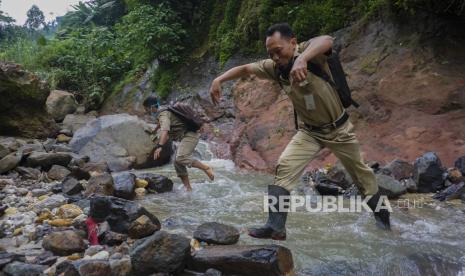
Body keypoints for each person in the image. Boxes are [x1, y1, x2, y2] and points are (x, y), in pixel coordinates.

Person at [209, 23, 390, 240]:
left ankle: (384, 225)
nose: (275, 57)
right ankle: (276, 226)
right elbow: (246, 69)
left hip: (338, 130)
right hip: (309, 133)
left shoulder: (310, 54)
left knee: (363, 178)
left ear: (293, 42)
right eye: (271, 53)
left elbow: (327, 40)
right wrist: (218, 79)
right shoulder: (275, 68)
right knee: (284, 166)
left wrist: (303, 59)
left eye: (278, 50)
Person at [143, 96, 214, 191]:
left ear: (151, 107)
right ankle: (188, 188)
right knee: (177, 162)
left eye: (147, 109)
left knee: (181, 158)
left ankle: (206, 168)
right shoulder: (163, 111)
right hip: (186, 136)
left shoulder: (163, 115)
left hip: (190, 136)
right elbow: (162, 124)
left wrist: (160, 146)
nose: (147, 112)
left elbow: (165, 130)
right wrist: (155, 129)